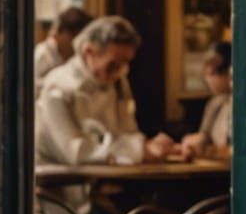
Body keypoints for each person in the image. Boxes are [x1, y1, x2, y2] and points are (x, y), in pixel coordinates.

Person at [36, 15, 177, 168]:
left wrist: (150, 145)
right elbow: (77, 152)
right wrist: (138, 150)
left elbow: (128, 130)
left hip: (108, 180)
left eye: (126, 63)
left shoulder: (118, 84)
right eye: (113, 65)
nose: (122, 72)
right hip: (61, 185)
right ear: (88, 52)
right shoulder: (57, 89)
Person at [180, 40, 232, 159]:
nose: (208, 80)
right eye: (206, 75)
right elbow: (204, 135)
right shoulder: (214, 103)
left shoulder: (240, 103)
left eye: (212, 74)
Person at [33, 5, 92, 96]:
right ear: (62, 32)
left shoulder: (73, 55)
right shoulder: (41, 54)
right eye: (73, 37)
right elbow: (32, 89)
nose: (76, 43)